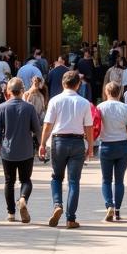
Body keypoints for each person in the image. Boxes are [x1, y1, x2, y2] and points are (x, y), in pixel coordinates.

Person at [39, 70, 94, 228]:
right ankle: (71, 218)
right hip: (77, 142)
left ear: (63, 83)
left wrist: (42, 144)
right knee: (74, 181)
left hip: (59, 141)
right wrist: (90, 146)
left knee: (56, 177)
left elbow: (48, 124)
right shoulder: (84, 102)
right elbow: (88, 127)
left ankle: (57, 204)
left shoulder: (55, 100)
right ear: (78, 84)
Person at [0, 78, 42, 223]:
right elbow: (37, 129)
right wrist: (41, 145)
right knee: (26, 180)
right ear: (22, 91)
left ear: (9, 91)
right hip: (26, 150)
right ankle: (22, 198)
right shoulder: (29, 108)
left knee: (9, 181)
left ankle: (10, 213)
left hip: (8, 150)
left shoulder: (2, 107)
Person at [97, 81, 127, 221]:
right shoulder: (126, 108)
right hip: (122, 145)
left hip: (106, 145)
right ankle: (118, 210)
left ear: (106, 92)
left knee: (106, 180)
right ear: (119, 93)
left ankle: (109, 205)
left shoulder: (100, 107)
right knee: (119, 180)